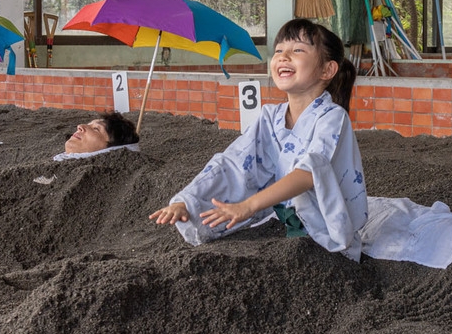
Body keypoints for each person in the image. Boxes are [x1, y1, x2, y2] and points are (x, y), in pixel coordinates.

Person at [150, 18, 370, 260]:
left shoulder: (332, 117)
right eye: (278, 51)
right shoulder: (270, 116)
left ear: (327, 70)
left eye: (297, 50)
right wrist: (188, 200)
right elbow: (233, 162)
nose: (284, 56)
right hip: (283, 225)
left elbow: (309, 173)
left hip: (324, 233)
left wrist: (249, 206)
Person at [0, 111, 139, 234]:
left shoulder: (88, 179)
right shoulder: (60, 165)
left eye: (96, 129)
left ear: (112, 150)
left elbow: (32, 226)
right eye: (88, 123)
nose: (82, 126)